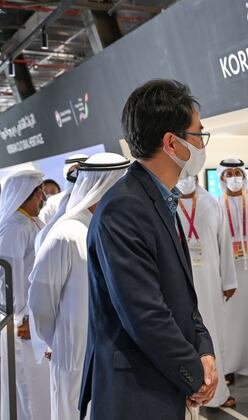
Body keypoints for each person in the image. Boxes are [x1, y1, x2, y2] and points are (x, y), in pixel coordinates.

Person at [80, 79, 218, 419]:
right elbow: (144, 313)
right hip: (138, 392)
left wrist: (204, 349)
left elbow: (182, 298)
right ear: (171, 142)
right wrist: (194, 372)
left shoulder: (158, 199)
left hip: (163, 381)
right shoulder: (124, 208)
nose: (202, 142)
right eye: (198, 134)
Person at [28, 153, 131, 420]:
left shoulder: (122, 230)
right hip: (76, 356)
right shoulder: (66, 235)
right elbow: (41, 303)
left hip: (119, 357)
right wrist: (62, 342)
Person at [176, 175, 238, 408]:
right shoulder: (166, 202)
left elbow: (225, 242)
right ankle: (187, 391)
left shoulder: (211, 203)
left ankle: (217, 391)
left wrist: (228, 281)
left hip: (211, 283)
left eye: (189, 175)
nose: (185, 179)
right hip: (180, 282)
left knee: (212, 335)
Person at [0, 169, 51, 420]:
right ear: (25, 196)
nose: (42, 198)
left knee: (41, 388)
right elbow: (9, 282)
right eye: (39, 193)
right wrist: (24, 318)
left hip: (36, 320)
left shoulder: (32, 222)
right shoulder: (13, 228)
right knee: (29, 389)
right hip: (22, 326)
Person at [217, 159, 248, 379]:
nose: (234, 178)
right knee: (230, 322)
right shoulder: (216, 205)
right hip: (229, 274)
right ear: (222, 178)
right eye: (229, 174)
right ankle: (229, 366)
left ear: (244, 178)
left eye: (238, 173)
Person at [38, 153, 88, 227]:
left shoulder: (98, 196)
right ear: (67, 172)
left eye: (83, 169)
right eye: (75, 169)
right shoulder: (53, 203)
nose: (79, 173)